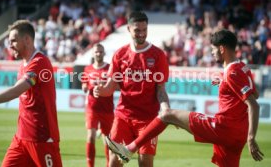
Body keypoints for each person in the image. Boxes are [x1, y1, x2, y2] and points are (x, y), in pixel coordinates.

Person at [105, 29, 264, 167]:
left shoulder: (232, 73)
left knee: (167, 114)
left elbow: (253, 104)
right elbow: (254, 93)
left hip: (223, 128)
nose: (212, 53)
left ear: (222, 49)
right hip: (237, 136)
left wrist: (252, 138)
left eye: (213, 50)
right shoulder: (243, 67)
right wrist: (224, 80)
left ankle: (129, 149)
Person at [93, 11, 170, 167]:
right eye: (137, 30)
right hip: (123, 116)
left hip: (148, 119)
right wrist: (100, 91)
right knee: (114, 161)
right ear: (128, 29)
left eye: (144, 30)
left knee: (145, 162)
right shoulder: (120, 55)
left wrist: (166, 108)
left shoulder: (158, 55)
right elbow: (109, 88)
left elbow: (161, 90)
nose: (141, 34)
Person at [0, 20, 62, 167]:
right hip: (21, 138)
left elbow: (17, 90)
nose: (10, 45)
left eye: (13, 40)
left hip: (42, 138)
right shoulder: (23, 64)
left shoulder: (40, 63)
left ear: (26, 40)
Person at [81, 43, 114, 167]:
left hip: (107, 109)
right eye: (96, 52)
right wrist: (86, 87)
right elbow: (84, 84)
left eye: (101, 51)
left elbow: (115, 85)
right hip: (92, 108)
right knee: (91, 136)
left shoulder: (110, 69)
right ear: (93, 54)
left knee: (108, 141)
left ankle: (108, 164)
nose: (98, 54)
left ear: (104, 53)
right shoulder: (87, 69)